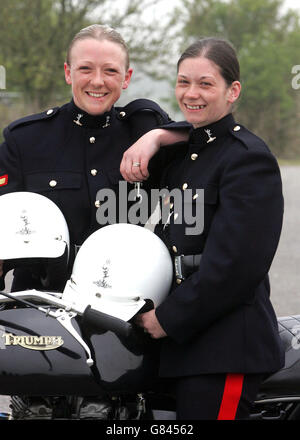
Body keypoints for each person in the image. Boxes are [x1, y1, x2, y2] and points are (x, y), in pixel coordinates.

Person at [121, 37, 284, 420]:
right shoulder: (186, 154)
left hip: (224, 350)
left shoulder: (248, 159)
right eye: (183, 82)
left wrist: (168, 319)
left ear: (233, 91)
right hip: (183, 346)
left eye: (206, 84)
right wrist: (157, 134)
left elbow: (235, 267)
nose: (191, 94)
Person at [0, 24, 188, 292]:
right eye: (85, 69)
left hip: (123, 301)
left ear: (126, 77)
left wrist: (156, 137)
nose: (97, 81)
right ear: (68, 73)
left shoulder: (142, 128)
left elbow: (209, 140)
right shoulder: (26, 140)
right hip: (40, 305)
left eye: (110, 70)